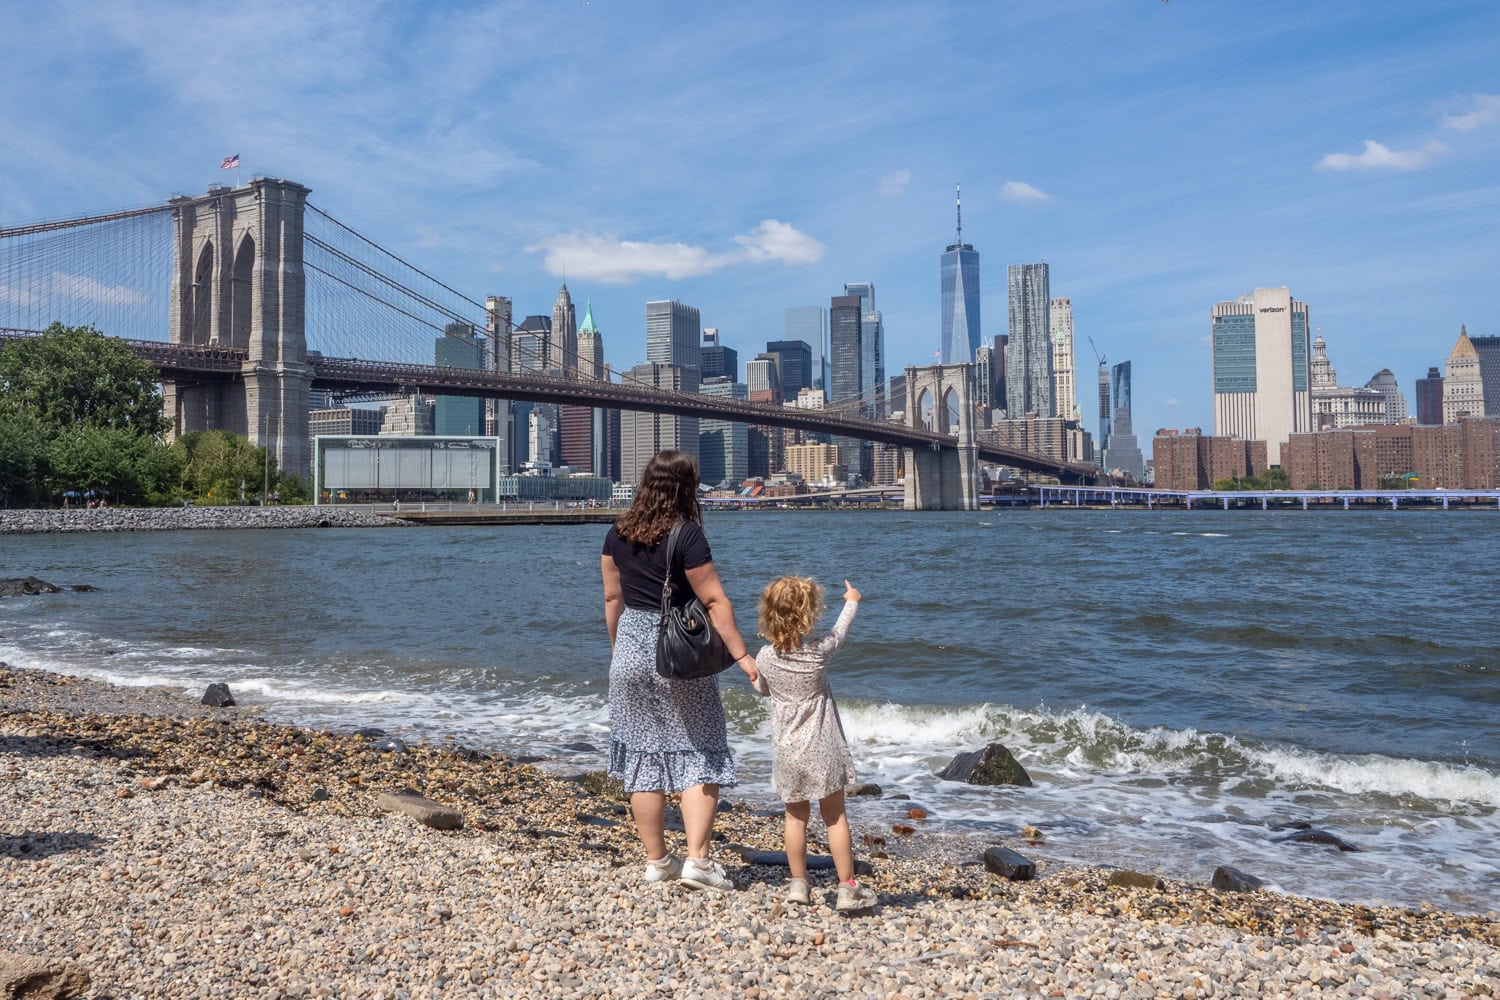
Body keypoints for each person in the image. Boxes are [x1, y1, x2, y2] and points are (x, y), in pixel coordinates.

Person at [600, 450, 759, 892]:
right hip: (676, 653)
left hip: (629, 648)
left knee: (642, 758)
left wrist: (619, 652)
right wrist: (743, 656)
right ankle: (698, 862)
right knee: (700, 753)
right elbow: (713, 601)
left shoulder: (617, 532)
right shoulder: (687, 534)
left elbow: (614, 600)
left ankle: (657, 862)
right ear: (686, 487)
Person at [753, 576, 877, 913]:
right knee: (834, 817)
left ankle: (798, 885)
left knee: (795, 818)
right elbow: (839, 632)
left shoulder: (765, 657)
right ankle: (847, 888)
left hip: (787, 751)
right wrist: (852, 599)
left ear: (768, 614)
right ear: (808, 617)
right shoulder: (817, 653)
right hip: (823, 748)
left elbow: (763, 688)